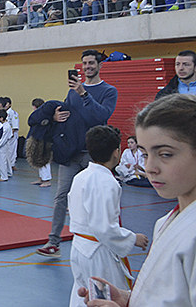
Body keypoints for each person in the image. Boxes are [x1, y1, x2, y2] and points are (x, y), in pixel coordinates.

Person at [77, 94, 196, 307]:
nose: (150, 167)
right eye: (145, 154)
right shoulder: (166, 221)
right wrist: (130, 299)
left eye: (165, 154)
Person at [37, 49, 118, 258]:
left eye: (92, 63)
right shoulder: (72, 91)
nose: (87, 66)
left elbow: (101, 117)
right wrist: (56, 116)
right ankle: (53, 242)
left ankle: (110, 240)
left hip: (95, 154)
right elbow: (68, 112)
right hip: (71, 153)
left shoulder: (109, 91)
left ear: (100, 65)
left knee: (99, 198)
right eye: (85, 63)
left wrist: (84, 94)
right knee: (61, 196)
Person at [68, 125, 148, 307]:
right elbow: (103, 227)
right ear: (116, 152)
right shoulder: (106, 182)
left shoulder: (81, 176)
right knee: (104, 298)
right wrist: (133, 238)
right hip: (98, 252)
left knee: (83, 294)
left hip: (80, 247)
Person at [29, 98, 53, 187]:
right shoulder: (39, 114)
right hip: (39, 138)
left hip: (45, 139)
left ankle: (47, 180)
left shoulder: (44, 115)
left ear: (34, 106)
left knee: (45, 159)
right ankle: (42, 178)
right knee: (38, 158)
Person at [0, 109, 12, 182]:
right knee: (2, 160)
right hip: (2, 145)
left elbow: (3, 139)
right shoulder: (3, 125)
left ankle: (4, 176)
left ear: (1, 118)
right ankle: (3, 173)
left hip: (3, 145)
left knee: (1, 161)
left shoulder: (6, 127)